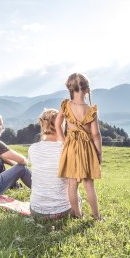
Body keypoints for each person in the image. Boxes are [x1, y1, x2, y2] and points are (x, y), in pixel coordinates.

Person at [56, 72, 103, 220]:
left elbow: (58, 125)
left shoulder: (65, 105)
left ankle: (77, 214)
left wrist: (65, 142)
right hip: (87, 148)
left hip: (71, 146)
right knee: (89, 184)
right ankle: (96, 216)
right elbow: (95, 134)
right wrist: (99, 153)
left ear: (70, 89)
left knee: (72, 183)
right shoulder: (90, 110)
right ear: (87, 89)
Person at [28, 108, 73, 219]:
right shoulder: (65, 149)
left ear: (42, 125)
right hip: (63, 212)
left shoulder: (32, 148)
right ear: (60, 126)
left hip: (36, 212)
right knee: (76, 193)